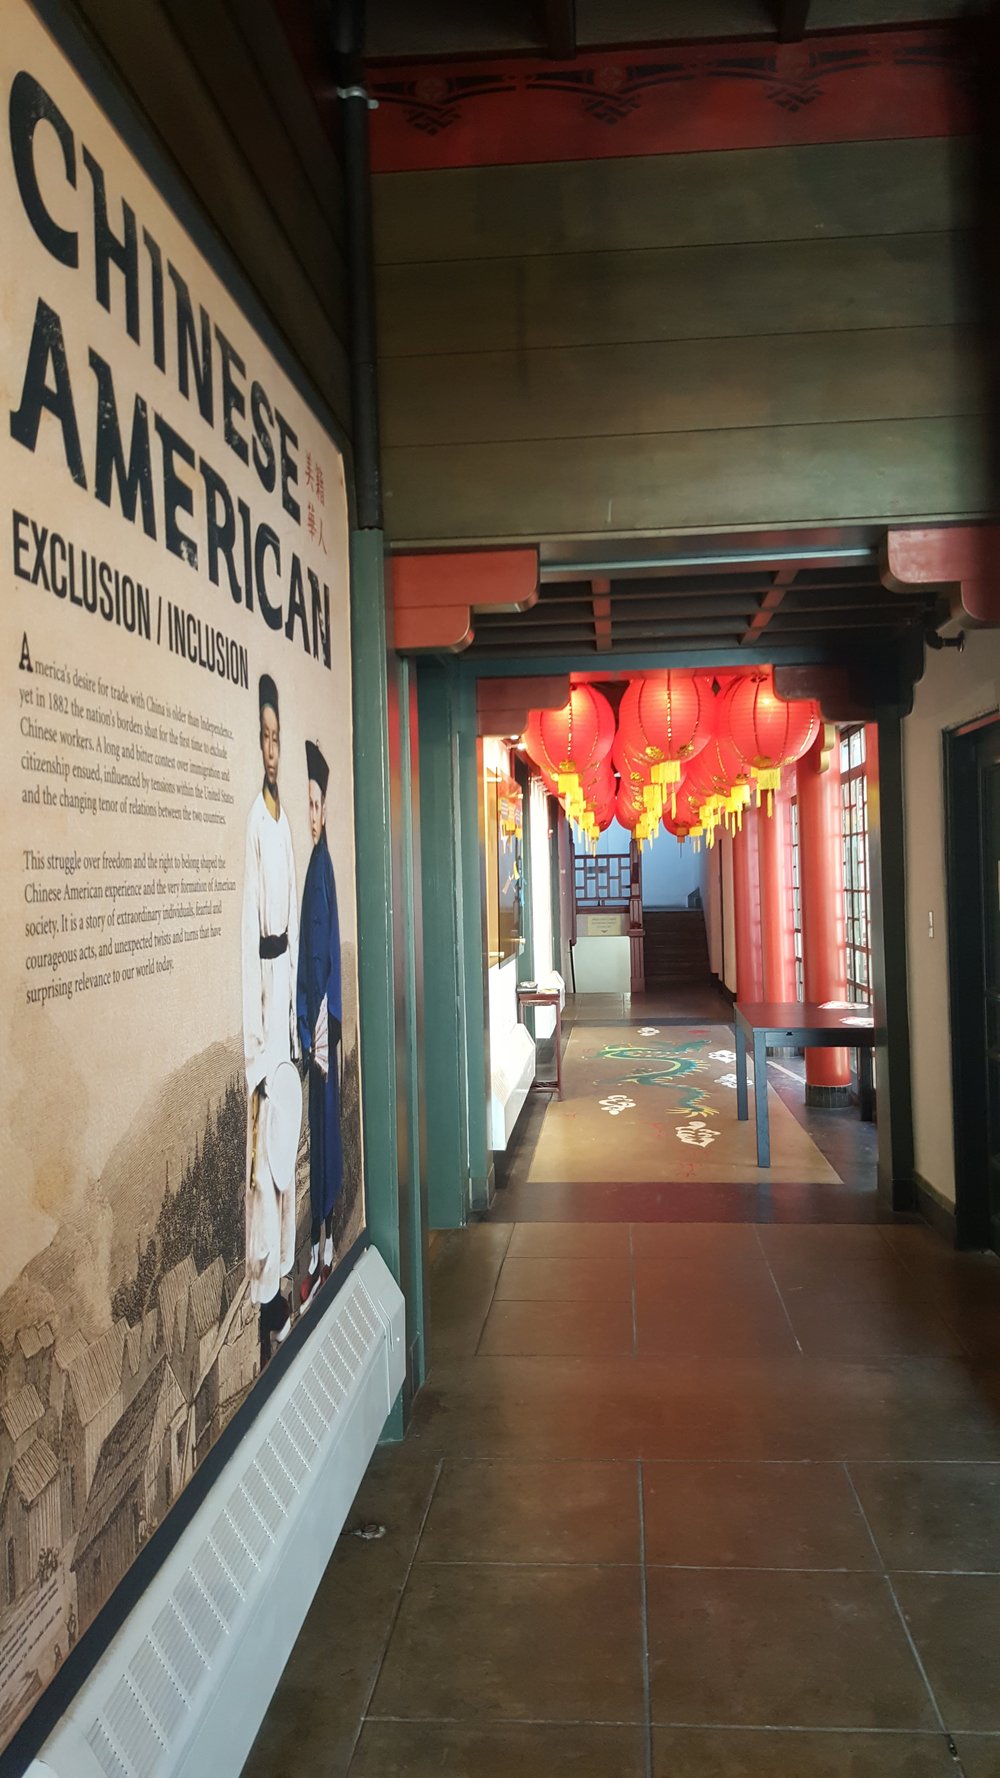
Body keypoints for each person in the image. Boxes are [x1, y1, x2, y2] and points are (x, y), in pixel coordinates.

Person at [242, 674, 299, 1367]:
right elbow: (252, 932)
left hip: (285, 1005)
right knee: (264, 1165)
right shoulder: (255, 823)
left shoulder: (282, 818)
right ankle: (267, 1296)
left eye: (276, 736)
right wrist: (259, 1039)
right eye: (264, 737)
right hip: (264, 999)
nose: (271, 748)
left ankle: (283, 1274)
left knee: (286, 1157)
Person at [297, 739, 344, 1307]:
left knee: (326, 1130)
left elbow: (326, 955)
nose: (311, 815)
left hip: (323, 1027)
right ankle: (320, 1235)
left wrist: (322, 1027)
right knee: (317, 1125)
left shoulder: (324, 868)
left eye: (316, 805)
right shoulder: (315, 865)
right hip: (314, 1022)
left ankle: (326, 1235)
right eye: (305, 804)